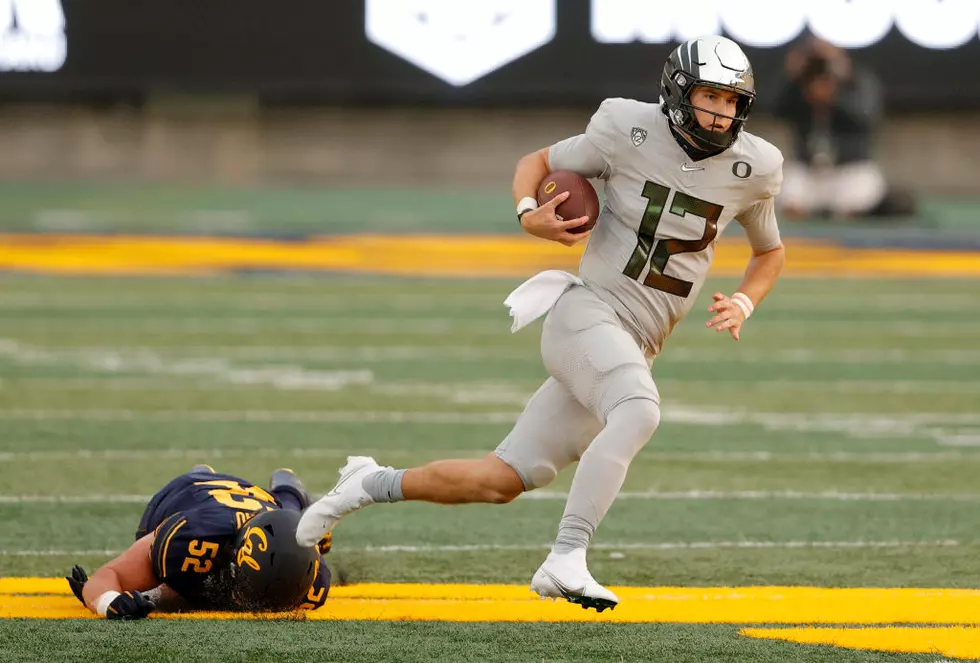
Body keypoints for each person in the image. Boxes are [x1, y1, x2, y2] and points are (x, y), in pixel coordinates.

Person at [297, 35, 786, 612]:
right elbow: (537, 163)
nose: (721, 112)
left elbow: (769, 252)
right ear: (678, 92)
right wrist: (529, 216)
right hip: (587, 312)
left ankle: (365, 483)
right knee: (639, 410)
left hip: (635, 341)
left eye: (732, 101)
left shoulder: (755, 166)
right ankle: (567, 558)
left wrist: (746, 303)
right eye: (710, 96)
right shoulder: (624, 126)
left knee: (499, 479)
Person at [66, 466, 332, 619]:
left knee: (293, 510)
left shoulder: (313, 582)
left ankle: (288, 485)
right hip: (189, 492)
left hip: (263, 502)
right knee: (169, 582)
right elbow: (107, 576)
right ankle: (202, 471)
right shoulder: (193, 538)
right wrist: (109, 601)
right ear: (235, 554)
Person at [774, 36, 914, 219]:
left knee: (861, 194)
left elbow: (866, 117)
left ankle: (846, 211)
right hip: (809, 171)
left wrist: (835, 97)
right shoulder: (799, 86)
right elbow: (775, 109)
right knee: (788, 194)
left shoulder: (859, 81)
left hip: (849, 170)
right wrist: (792, 77)